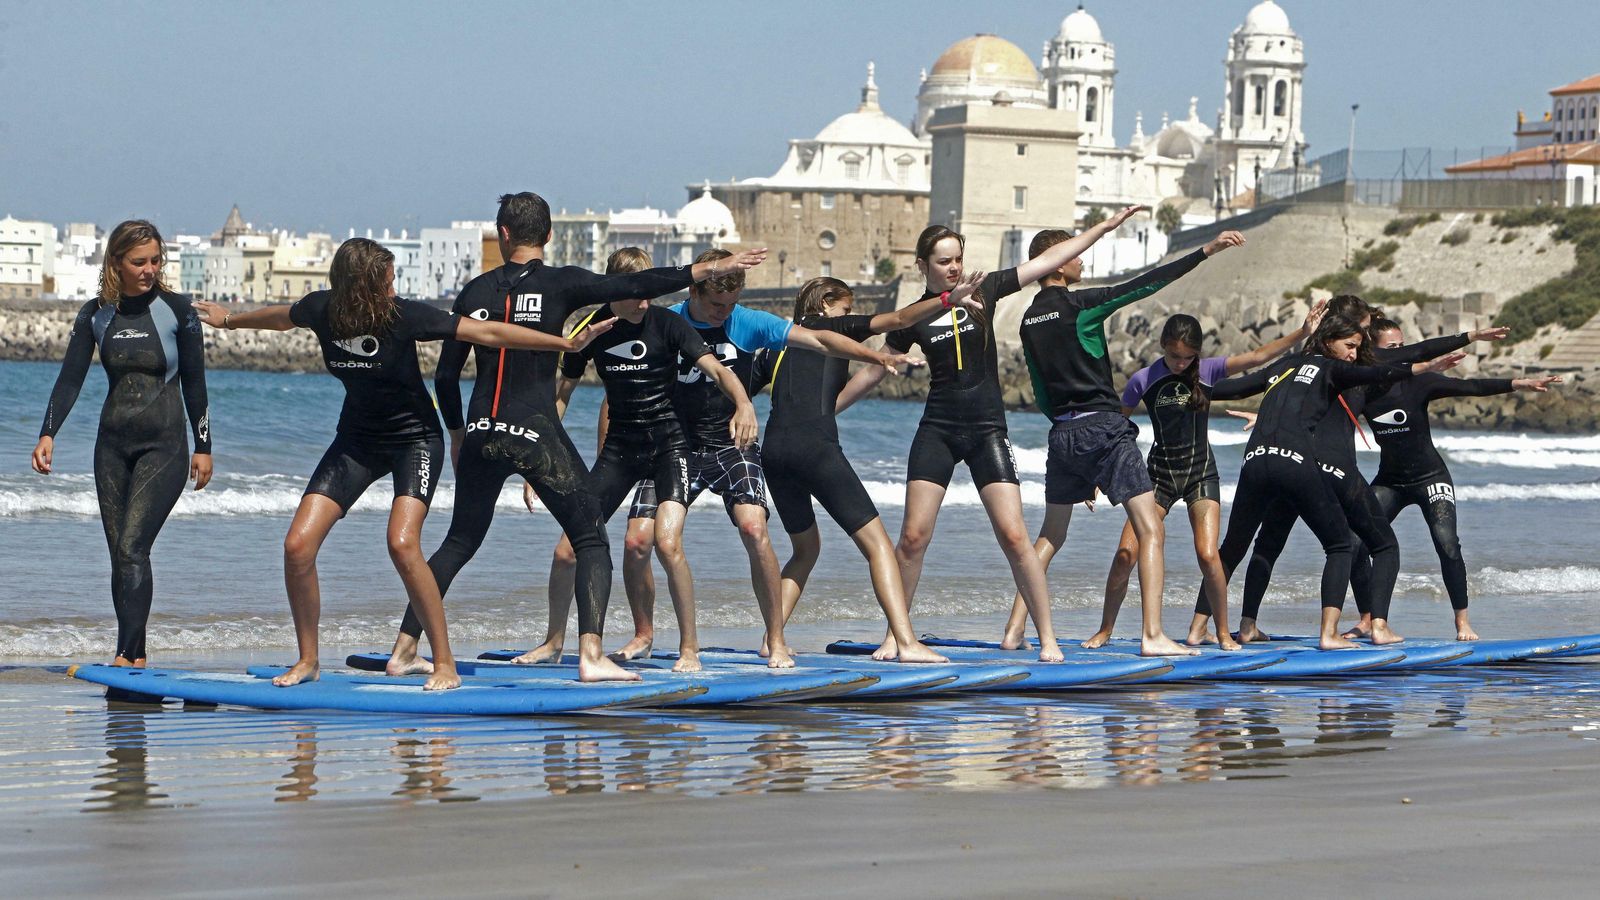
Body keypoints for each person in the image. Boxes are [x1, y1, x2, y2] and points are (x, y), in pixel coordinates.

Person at [192, 238, 612, 690]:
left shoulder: (406, 315)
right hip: (357, 440)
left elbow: (487, 332)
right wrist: (229, 320)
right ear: (363, 287)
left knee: (402, 543)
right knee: (297, 546)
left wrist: (563, 342)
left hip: (415, 440)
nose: (395, 289)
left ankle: (443, 663)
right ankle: (308, 660)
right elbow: (280, 317)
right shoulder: (322, 309)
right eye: (388, 281)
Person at [384, 193, 765, 683]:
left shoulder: (474, 293)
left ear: (502, 234)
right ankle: (590, 656)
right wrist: (709, 269)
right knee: (590, 537)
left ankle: (403, 649)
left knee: (458, 541)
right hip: (532, 429)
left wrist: (458, 434)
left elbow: (444, 376)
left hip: (481, 429)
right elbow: (635, 282)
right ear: (547, 236)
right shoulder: (561, 282)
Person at [542, 248, 911, 670]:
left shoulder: (747, 322)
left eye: (731, 305)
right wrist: (605, 453)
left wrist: (875, 356)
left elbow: (819, 338)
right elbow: (619, 391)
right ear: (695, 290)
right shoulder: (669, 321)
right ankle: (643, 633)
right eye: (716, 304)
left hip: (731, 445)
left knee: (755, 529)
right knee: (637, 541)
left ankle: (775, 639)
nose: (724, 313)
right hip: (674, 444)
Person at [846, 213, 1142, 662]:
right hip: (938, 429)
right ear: (922, 266)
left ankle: (1045, 639)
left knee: (1015, 536)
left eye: (958, 259)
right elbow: (873, 370)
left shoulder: (985, 290)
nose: (954, 268)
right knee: (912, 538)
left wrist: (1100, 230)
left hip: (988, 430)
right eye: (944, 261)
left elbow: (1047, 262)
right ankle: (897, 635)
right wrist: (827, 412)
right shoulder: (914, 318)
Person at [1203, 295, 1509, 644]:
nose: (1360, 341)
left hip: (1293, 459)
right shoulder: (1355, 365)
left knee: (1265, 545)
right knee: (1365, 543)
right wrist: (1466, 339)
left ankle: (1241, 625)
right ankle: (1367, 626)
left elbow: (1277, 396)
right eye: (1359, 332)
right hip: (1333, 466)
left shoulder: (1302, 363)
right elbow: (1416, 354)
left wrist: (1201, 391)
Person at [1005, 224, 1244, 657]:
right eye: (1076, 252)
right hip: (1103, 427)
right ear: (1057, 260)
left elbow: (1040, 391)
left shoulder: (1027, 322)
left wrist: (1073, 440)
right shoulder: (1081, 306)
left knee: (1049, 538)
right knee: (1150, 528)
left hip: (1061, 433)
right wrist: (1204, 252)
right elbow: (1144, 285)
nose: (1082, 259)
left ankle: (1014, 630)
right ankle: (1152, 635)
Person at [535, 247, 779, 673]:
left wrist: (744, 402)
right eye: (636, 292)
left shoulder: (669, 324)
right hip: (621, 451)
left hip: (669, 447)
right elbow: (563, 393)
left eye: (650, 290)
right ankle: (552, 642)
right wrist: (543, 451)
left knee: (667, 544)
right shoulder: (592, 329)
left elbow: (719, 371)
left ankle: (690, 649)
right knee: (566, 551)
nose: (644, 300)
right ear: (614, 289)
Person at [749, 275, 991, 663]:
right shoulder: (831, 326)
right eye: (846, 308)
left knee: (805, 548)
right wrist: (945, 300)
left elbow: (738, 388)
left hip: (774, 453)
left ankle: (771, 638)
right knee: (879, 546)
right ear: (826, 303)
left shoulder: (776, 345)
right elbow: (896, 319)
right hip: (816, 449)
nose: (849, 317)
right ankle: (907, 642)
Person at [1087, 302, 1323, 651]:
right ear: (1164, 347)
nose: (1180, 363)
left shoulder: (1209, 371)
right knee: (1125, 553)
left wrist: (1303, 334)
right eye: (1174, 356)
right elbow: (1118, 428)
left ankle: (1224, 632)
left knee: (1208, 555)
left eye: (1187, 357)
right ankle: (1105, 629)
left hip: (1200, 474)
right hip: (1157, 477)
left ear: (1197, 353)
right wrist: (1099, 474)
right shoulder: (1143, 380)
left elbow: (1257, 356)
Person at [32, 220, 212, 668]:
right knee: (121, 555)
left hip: (164, 445)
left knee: (133, 547)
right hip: (111, 447)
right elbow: (70, 377)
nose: (149, 269)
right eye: (139, 262)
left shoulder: (178, 311)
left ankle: (125, 655)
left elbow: (195, 383)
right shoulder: (97, 313)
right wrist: (48, 432)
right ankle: (136, 655)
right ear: (116, 263)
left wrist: (204, 445)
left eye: (155, 260)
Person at [1345, 318, 1561, 641]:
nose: (1402, 354)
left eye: (1403, 347)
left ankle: (1462, 621)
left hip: (1430, 476)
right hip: (1390, 480)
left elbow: (1470, 386)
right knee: (1354, 542)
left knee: (1447, 544)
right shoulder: (1363, 390)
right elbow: (1329, 413)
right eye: (1393, 349)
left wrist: (1519, 384)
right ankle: (1369, 619)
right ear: (1374, 353)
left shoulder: (1419, 383)